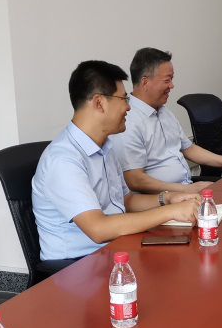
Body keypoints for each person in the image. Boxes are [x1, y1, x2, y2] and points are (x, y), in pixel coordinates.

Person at [32, 60, 201, 260]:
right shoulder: (63, 160)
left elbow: (127, 201)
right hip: (78, 265)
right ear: (99, 103)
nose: (128, 107)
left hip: (116, 249)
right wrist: (170, 212)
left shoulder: (104, 147)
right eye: (124, 99)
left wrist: (168, 198)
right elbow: (98, 229)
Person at [111, 47, 222, 194]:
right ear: (145, 82)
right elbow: (135, 180)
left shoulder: (164, 111)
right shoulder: (128, 121)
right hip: (162, 199)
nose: (172, 85)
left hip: (185, 189)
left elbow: (189, 148)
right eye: (167, 80)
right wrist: (186, 190)